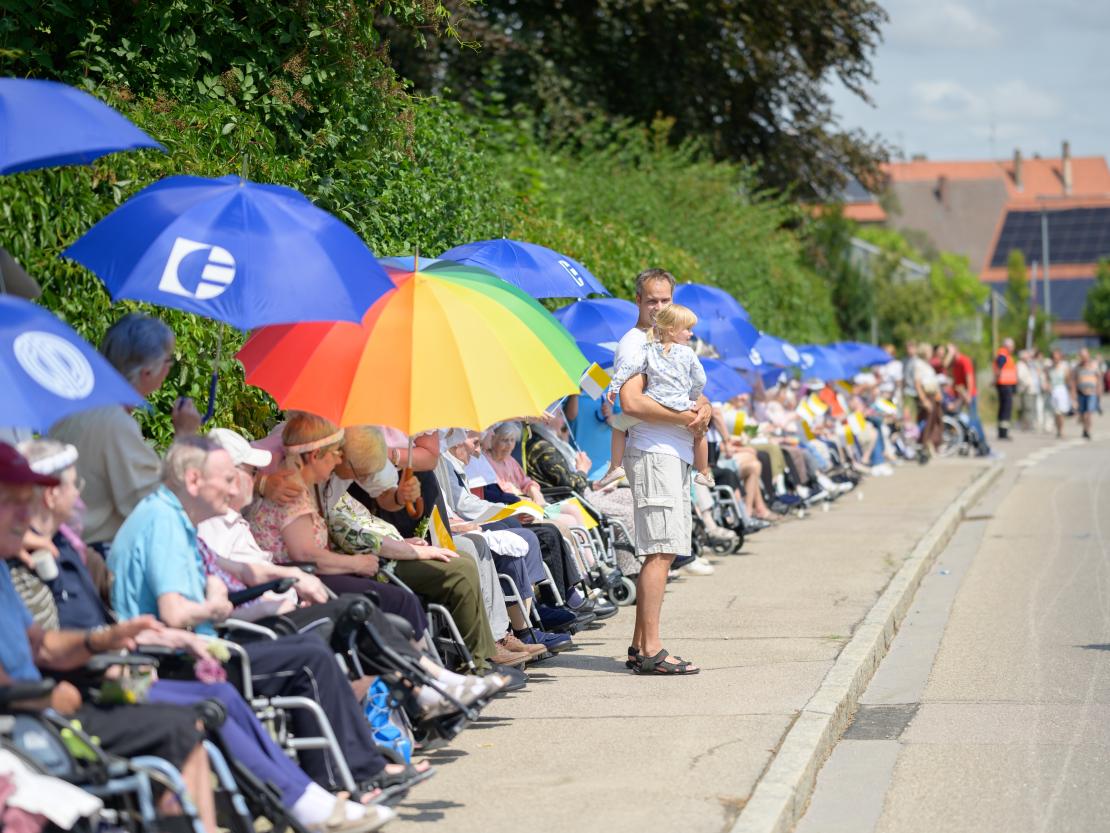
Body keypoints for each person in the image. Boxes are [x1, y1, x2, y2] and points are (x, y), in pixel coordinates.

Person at [13, 438, 396, 833]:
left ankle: (314, 796)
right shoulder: (157, 522)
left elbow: (228, 574)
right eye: (74, 485)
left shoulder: (71, 545)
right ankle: (323, 792)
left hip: (139, 658)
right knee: (266, 674)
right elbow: (168, 614)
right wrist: (208, 609)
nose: (81, 496)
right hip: (133, 669)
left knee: (288, 658)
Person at [108, 436, 431, 799]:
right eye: (229, 479)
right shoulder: (165, 522)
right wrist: (216, 603)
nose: (235, 488)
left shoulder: (175, 518)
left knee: (327, 636)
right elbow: (175, 612)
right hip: (187, 656)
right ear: (195, 480)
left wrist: (274, 578)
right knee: (319, 647)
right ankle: (353, 771)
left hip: (209, 640)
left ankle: (372, 754)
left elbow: (229, 569)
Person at [0, 442, 222, 833]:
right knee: (180, 728)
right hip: (22, 726)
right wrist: (47, 696)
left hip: (43, 715)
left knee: (185, 725)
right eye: (9, 502)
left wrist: (102, 640)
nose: (25, 514)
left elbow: (41, 645)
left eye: (26, 501)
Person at [612, 268, 712, 676]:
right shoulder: (635, 343)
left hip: (671, 453)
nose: (657, 307)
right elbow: (630, 403)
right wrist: (684, 417)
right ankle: (653, 650)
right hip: (654, 452)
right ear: (638, 300)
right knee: (660, 551)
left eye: (664, 300)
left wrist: (704, 407)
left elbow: (689, 391)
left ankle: (640, 646)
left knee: (662, 549)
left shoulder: (668, 341)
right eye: (651, 300)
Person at [49, 313, 201, 556]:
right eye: (168, 361)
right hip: (93, 555)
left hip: (66, 545)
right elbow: (157, 507)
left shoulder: (77, 404)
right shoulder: (114, 421)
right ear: (147, 372)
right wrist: (185, 436)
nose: (169, 368)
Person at [604, 302, 713, 488]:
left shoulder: (648, 349)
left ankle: (615, 466)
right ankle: (703, 472)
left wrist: (614, 386)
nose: (691, 334)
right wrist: (693, 397)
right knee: (700, 432)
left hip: (654, 405)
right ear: (672, 330)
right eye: (687, 329)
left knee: (618, 425)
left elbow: (629, 368)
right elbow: (700, 379)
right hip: (680, 406)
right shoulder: (688, 353)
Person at [945, 343, 990, 455]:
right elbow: (945, 366)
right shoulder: (954, 363)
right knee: (959, 418)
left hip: (968, 394)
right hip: (960, 394)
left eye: (949, 351)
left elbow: (969, 378)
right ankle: (968, 443)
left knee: (973, 419)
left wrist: (969, 395)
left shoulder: (964, 360)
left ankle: (982, 445)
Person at [1073, 348, 1101, 440]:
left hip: (1092, 393)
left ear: (1088, 355)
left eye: (1085, 355)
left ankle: (1087, 430)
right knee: (1082, 414)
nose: (1083, 358)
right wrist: (1074, 394)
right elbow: (1074, 381)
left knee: (1088, 413)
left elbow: (1098, 379)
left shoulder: (1094, 365)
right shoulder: (1077, 367)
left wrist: (1099, 391)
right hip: (1081, 393)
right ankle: (1084, 428)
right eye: (1082, 356)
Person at [993, 337, 1018, 441]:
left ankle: (1002, 432)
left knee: (1003, 408)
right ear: (1008, 346)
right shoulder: (1003, 354)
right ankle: (1003, 433)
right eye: (1012, 346)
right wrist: (996, 378)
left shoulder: (1005, 354)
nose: (1013, 349)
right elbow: (999, 366)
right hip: (1005, 385)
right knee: (1006, 409)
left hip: (1005, 385)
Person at [1048, 349, 1072, 439]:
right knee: (1056, 412)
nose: (1056, 359)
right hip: (1053, 391)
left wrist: (1071, 393)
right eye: (1054, 358)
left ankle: (1061, 429)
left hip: (1062, 390)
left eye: (1057, 358)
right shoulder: (1049, 369)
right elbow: (1047, 380)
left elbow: (1068, 380)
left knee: (1061, 411)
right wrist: (1048, 386)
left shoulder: (1064, 368)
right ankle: (1058, 429)